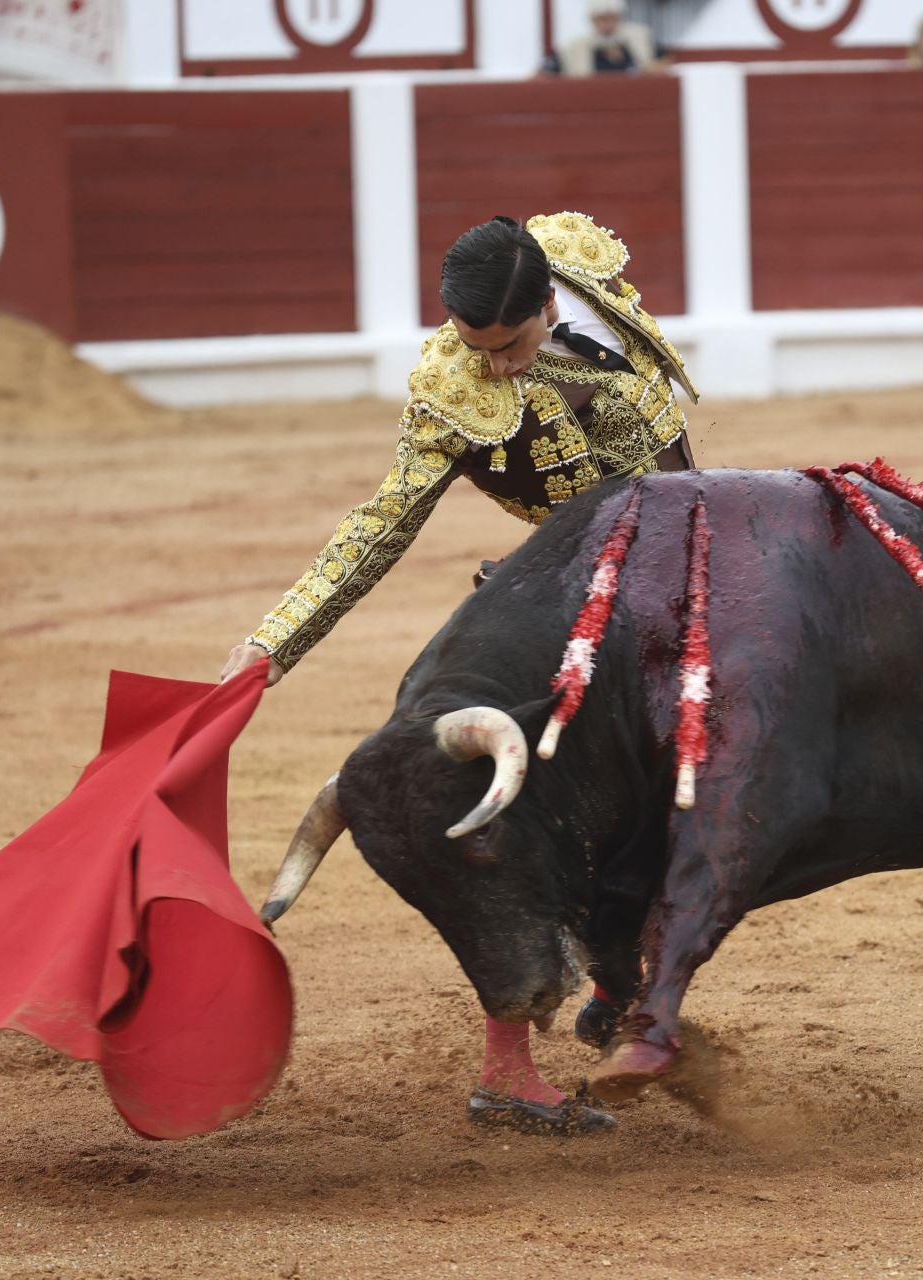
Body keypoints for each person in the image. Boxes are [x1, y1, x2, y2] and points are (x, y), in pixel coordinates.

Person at [221, 211, 698, 1136]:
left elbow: (670, 470)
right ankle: (508, 1068)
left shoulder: (585, 273)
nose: (501, 369)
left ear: (552, 300)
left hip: (685, 576)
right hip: (562, 605)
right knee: (519, 822)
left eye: (514, 345)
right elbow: (381, 523)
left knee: (683, 801)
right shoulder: (454, 389)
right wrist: (275, 640)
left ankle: (612, 981)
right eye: (479, 349)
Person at [546, 0, 665, 77]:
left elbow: (665, 61)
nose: (606, 24)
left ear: (619, 17)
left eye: (611, 17)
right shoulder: (574, 48)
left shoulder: (640, 38)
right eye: (601, 18)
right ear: (592, 19)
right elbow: (545, 73)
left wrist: (651, 69)